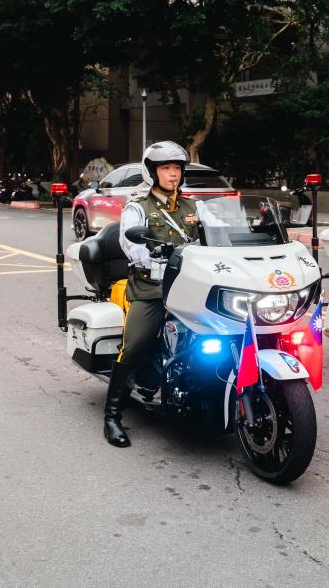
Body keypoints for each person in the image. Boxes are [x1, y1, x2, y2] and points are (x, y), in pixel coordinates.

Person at [103, 141, 200, 448]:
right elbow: (131, 244)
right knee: (135, 344)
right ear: (152, 172)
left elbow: (216, 232)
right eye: (166, 168)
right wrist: (153, 254)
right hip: (152, 288)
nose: (173, 174)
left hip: (190, 286)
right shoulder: (137, 207)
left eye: (177, 168)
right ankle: (112, 417)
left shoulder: (193, 206)